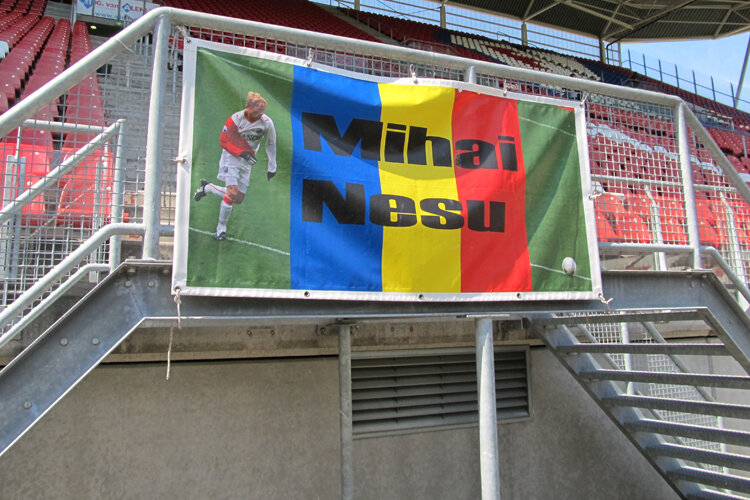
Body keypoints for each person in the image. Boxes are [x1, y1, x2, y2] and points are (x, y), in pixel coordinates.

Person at [194, 91, 277, 240]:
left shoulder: (267, 123)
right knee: (232, 193)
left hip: (247, 160)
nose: (261, 114)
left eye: (263, 111)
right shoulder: (236, 119)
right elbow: (223, 141)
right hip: (231, 157)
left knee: (238, 198)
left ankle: (208, 188)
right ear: (249, 107)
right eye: (258, 110)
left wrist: (272, 167)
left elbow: (271, 144)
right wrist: (241, 152)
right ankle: (221, 229)